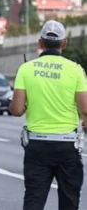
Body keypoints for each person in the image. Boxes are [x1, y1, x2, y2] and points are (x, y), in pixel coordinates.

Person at [10, 20, 87, 210]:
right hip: (67, 146)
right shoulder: (75, 70)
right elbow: (85, 109)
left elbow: (16, 109)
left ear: (40, 42)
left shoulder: (26, 69)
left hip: (37, 147)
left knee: (34, 201)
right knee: (69, 202)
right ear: (64, 43)